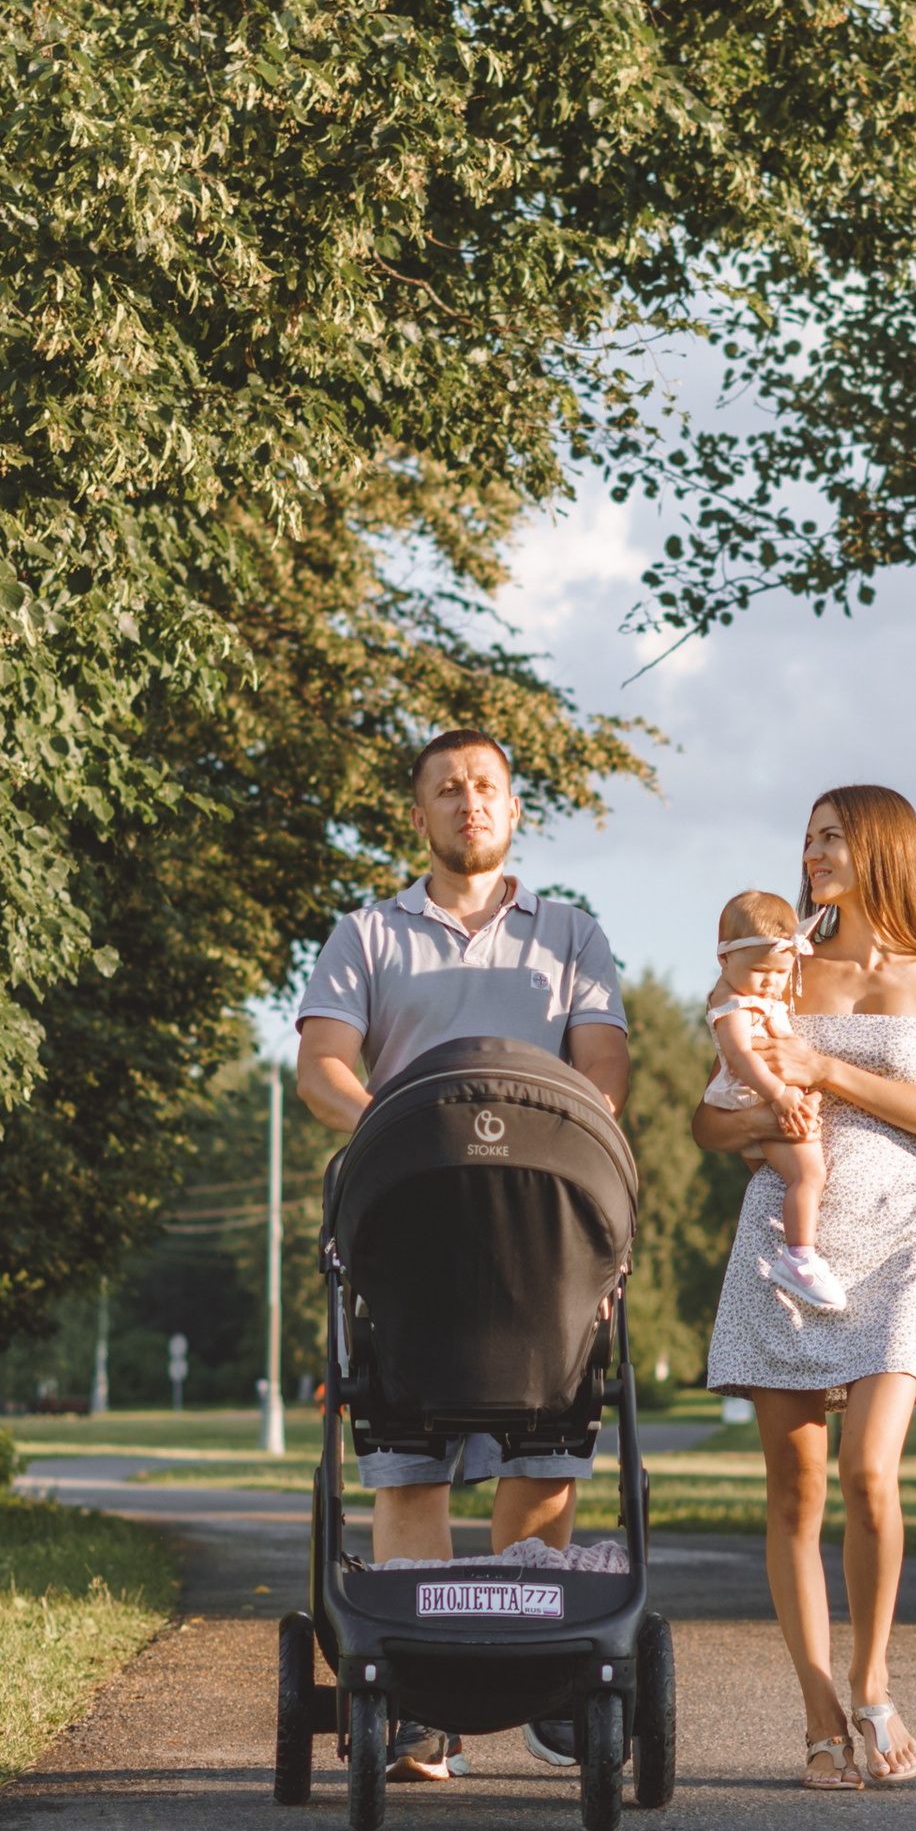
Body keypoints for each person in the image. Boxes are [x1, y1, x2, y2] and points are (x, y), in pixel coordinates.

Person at [297, 729, 630, 1777]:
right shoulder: (366, 934)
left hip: (542, 1225)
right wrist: (397, 1132)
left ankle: (532, 1681)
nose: (467, 802)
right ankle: (421, 1700)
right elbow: (322, 1067)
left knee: (541, 1459)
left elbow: (602, 1073)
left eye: (485, 786)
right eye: (446, 789)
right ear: (418, 814)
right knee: (410, 1467)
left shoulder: (569, 934)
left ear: (513, 806)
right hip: (410, 1224)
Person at [694, 786, 916, 1791]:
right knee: (795, 1490)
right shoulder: (779, 966)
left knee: (869, 1470)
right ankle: (820, 1718)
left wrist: (824, 1065)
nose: (812, 852)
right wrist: (760, 1123)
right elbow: (710, 1120)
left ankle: (872, 1687)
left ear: (883, 848)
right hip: (790, 1239)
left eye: (832, 836)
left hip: (901, 1239)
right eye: (808, 836)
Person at [702, 890, 846, 1315]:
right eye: (761, 971)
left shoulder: (758, 996)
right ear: (724, 960)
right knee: (809, 1174)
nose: (771, 982)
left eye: (780, 973)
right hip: (753, 1095)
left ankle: (794, 1252)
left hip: (770, 1092)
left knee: (785, 1178)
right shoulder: (731, 1004)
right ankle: (798, 1258)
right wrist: (781, 1094)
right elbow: (741, 1056)